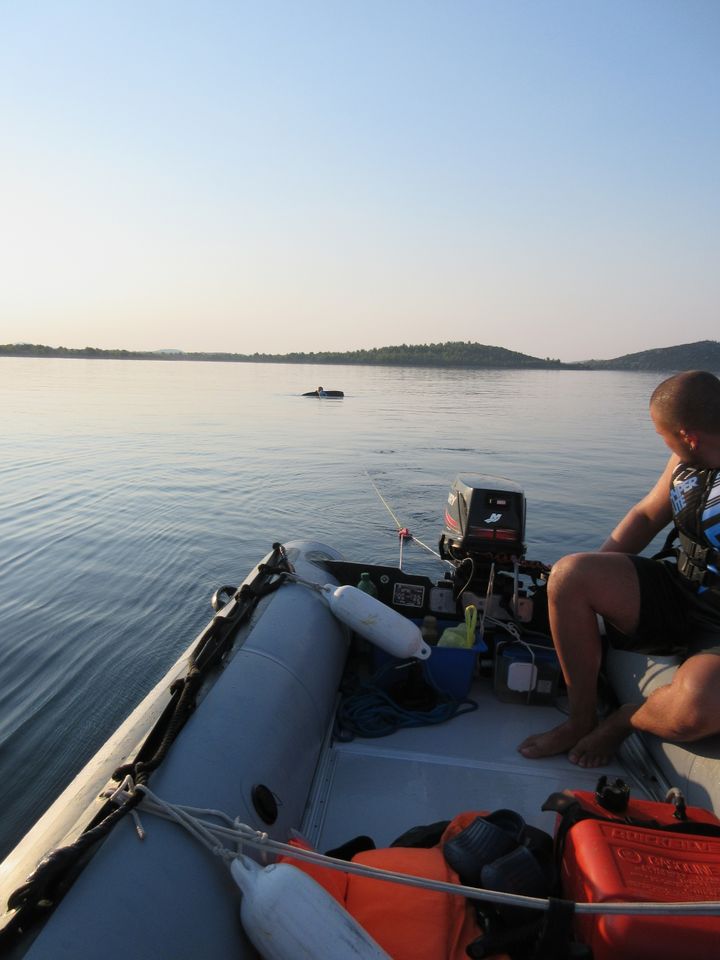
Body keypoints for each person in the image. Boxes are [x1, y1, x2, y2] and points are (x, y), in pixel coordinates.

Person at [518, 370, 720, 767]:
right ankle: (579, 720)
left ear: (688, 435)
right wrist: (585, 582)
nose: (663, 442)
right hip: (680, 589)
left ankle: (626, 718)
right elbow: (646, 516)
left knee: (697, 706)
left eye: (663, 434)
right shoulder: (686, 459)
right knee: (569, 574)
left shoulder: (691, 443)